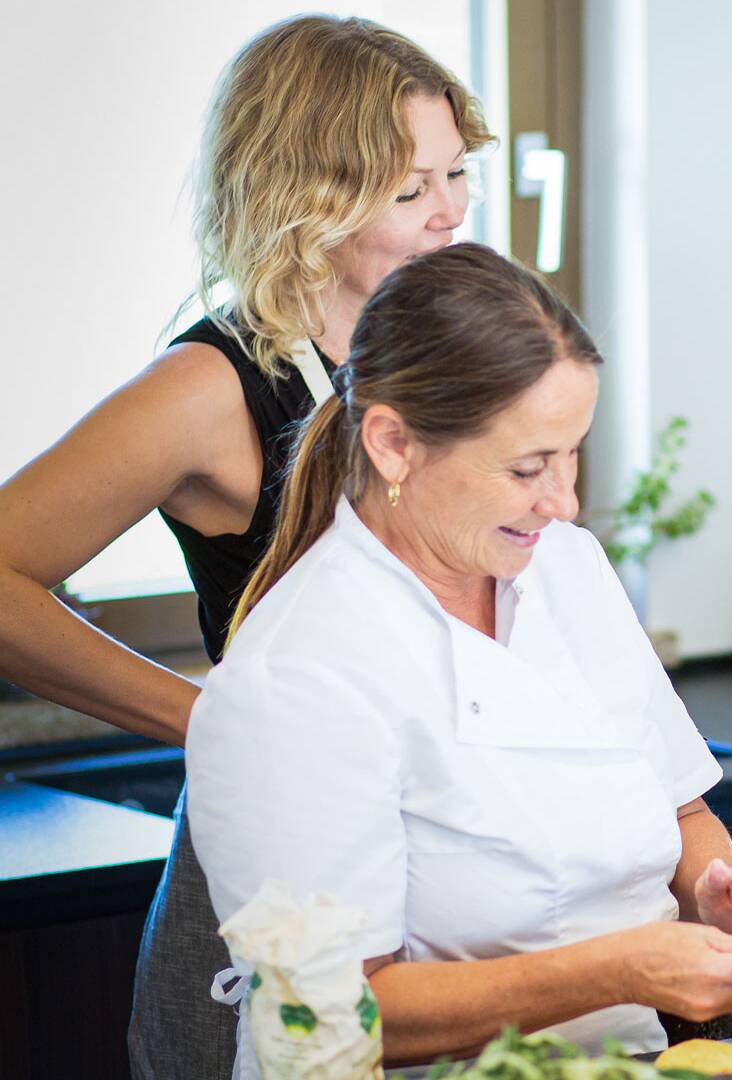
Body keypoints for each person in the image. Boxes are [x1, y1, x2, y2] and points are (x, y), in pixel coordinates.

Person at [188, 243, 732, 1074]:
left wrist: (724, 896)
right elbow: (327, 1010)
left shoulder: (565, 565)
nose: (562, 501)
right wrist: (622, 967)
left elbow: (680, 810)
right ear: (392, 445)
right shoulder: (296, 677)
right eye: (529, 467)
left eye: (572, 456)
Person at [0, 16, 491, 1077]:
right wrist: (206, 717)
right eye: (410, 191)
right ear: (300, 195)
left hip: (448, 837)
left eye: (457, 175)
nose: (451, 213)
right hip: (277, 862)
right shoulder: (208, 386)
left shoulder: (438, 359)